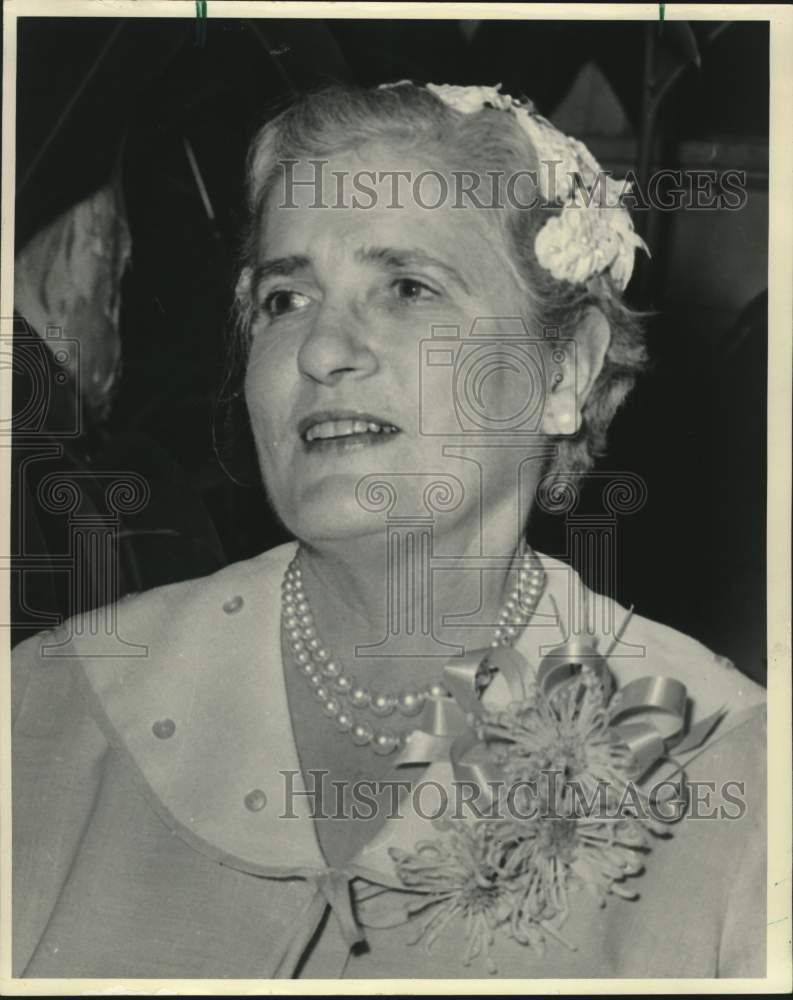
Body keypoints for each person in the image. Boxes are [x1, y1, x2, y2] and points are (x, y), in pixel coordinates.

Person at [11, 82, 765, 980]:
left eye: (407, 287)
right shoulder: (45, 709)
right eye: (284, 298)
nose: (322, 350)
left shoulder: (730, 768)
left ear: (564, 370)